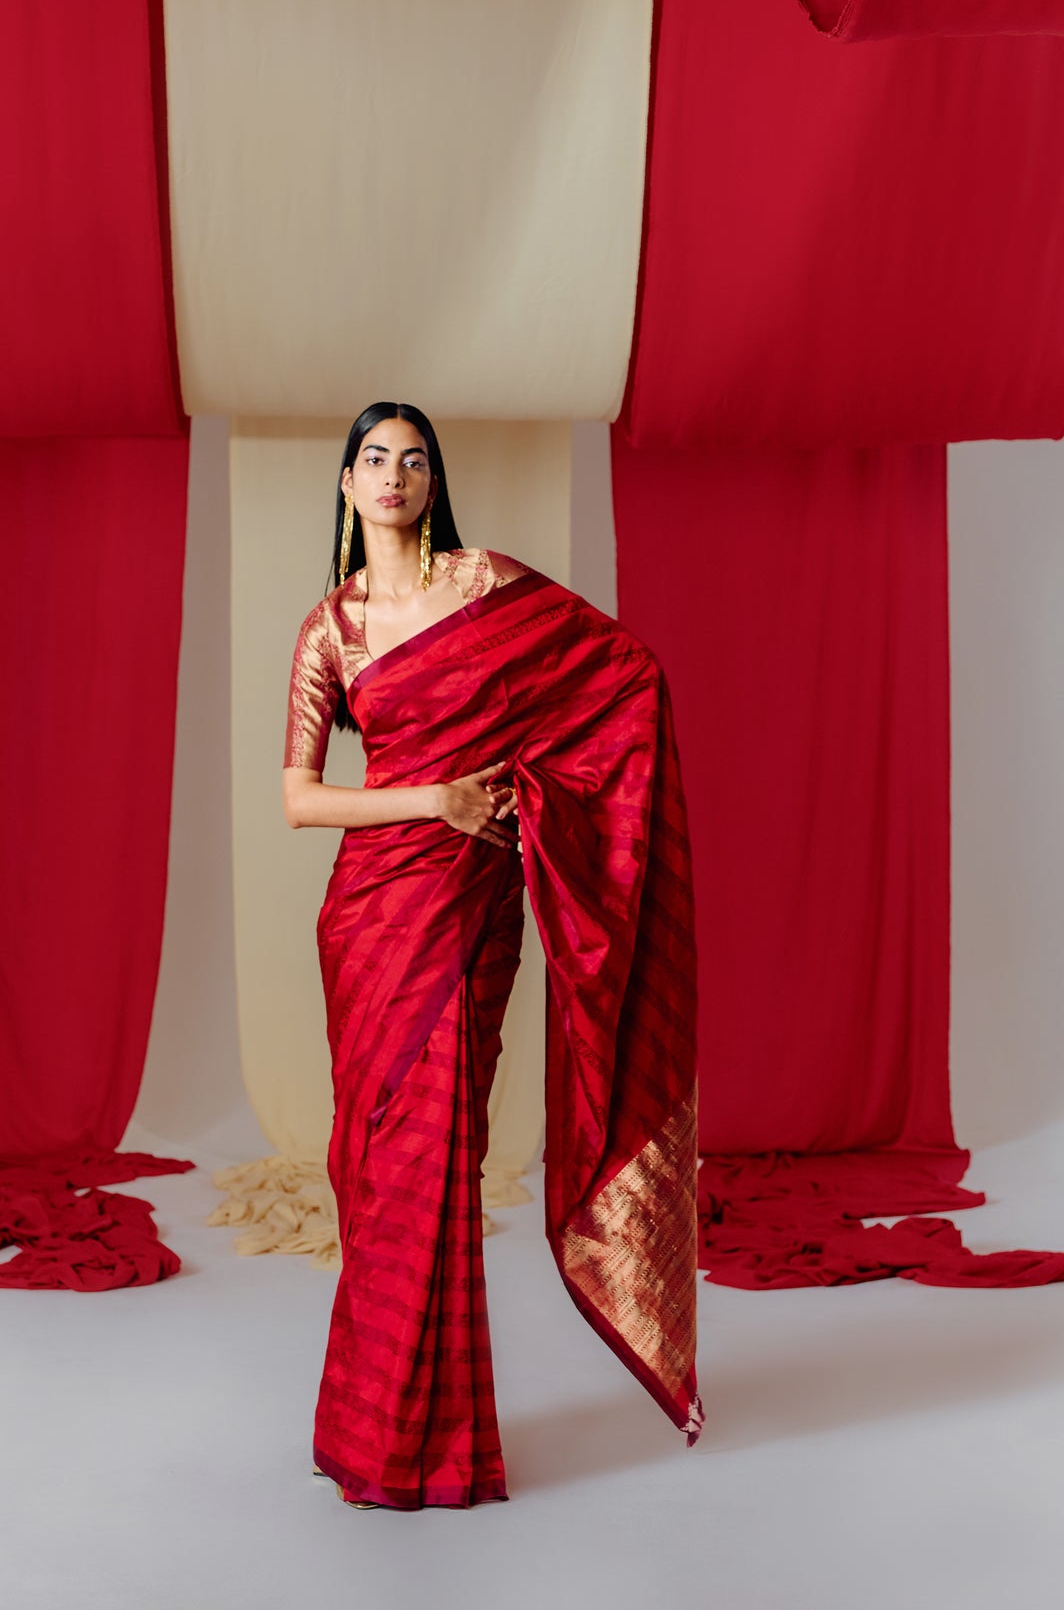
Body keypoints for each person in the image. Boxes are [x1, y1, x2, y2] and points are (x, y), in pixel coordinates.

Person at [282, 401, 704, 1511]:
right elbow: (299, 799)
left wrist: (534, 795)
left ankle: (431, 1446)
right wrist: (438, 798)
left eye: (413, 461)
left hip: (468, 911)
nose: (393, 475)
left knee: (437, 1164)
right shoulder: (330, 630)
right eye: (374, 459)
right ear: (346, 483)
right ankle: (372, 1434)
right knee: (376, 1169)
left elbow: (625, 678)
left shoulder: (487, 588)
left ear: (433, 483)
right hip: (369, 917)